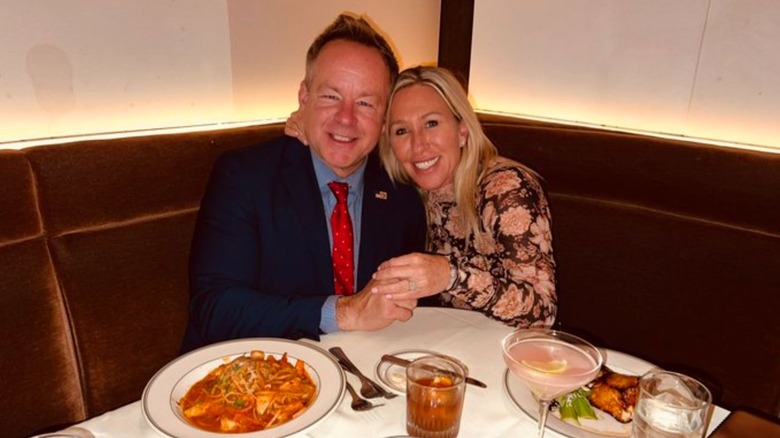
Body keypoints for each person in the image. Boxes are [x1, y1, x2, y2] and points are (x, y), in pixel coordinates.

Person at [180, 13, 427, 352]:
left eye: (366, 103)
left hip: (366, 375)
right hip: (255, 379)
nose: (346, 118)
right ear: (304, 98)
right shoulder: (244, 176)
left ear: (385, 119)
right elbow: (214, 309)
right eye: (331, 96)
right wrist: (344, 312)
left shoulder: (402, 192)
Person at [370, 66, 557, 328]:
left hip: (509, 351)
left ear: (462, 130)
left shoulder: (505, 189)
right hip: (445, 343)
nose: (418, 144)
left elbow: (542, 312)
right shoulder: (405, 187)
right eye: (401, 131)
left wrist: (450, 276)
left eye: (431, 123)